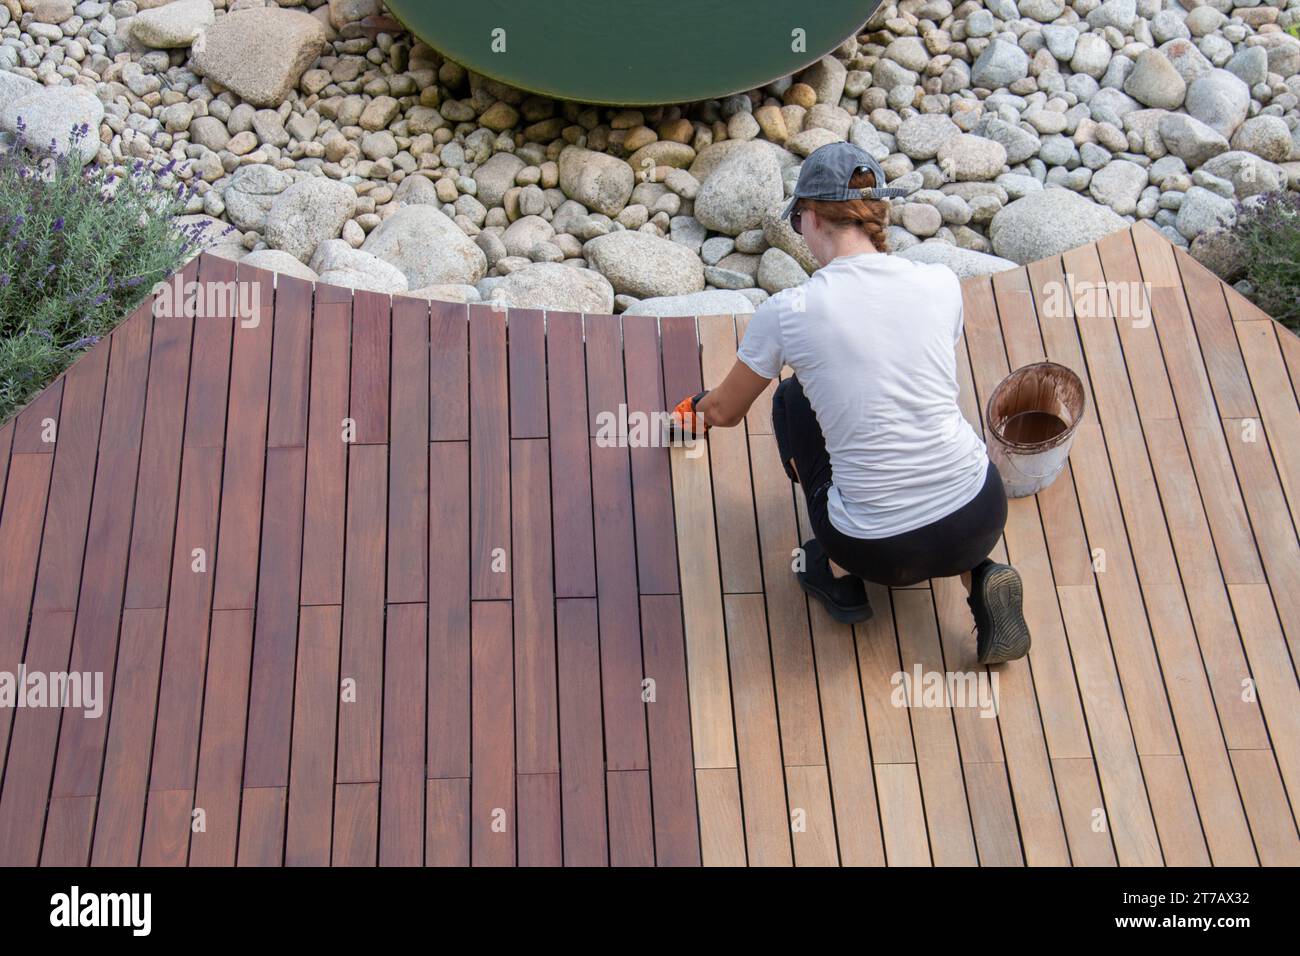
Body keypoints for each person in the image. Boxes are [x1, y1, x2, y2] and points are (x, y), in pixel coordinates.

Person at [669, 142, 1030, 664]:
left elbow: (724, 413)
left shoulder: (789, 311)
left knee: (793, 397)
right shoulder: (939, 282)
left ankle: (841, 579)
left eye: (798, 221)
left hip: (877, 549)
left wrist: (688, 417)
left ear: (812, 217)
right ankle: (980, 572)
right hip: (980, 511)